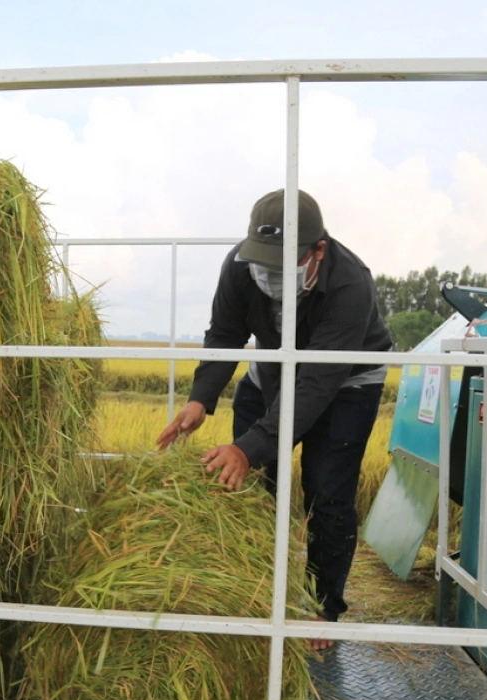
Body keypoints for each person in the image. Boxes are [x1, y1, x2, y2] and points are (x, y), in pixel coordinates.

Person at [156, 189, 392, 650]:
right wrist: (200, 400)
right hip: (271, 372)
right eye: (262, 262)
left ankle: (324, 607)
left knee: (326, 490)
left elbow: (318, 383)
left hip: (344, 383)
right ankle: (259, 589)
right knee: (250, 488)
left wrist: (248, 447)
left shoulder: (350, 284)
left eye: (281, 265)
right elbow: (225, 333)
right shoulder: (241, 265)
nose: (267, 274)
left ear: (317, 251)